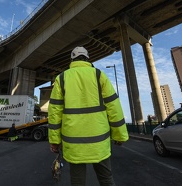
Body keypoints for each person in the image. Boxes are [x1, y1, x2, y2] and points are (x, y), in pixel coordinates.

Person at [48, 46, 129, 186]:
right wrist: (119, 135)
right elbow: (113, 107)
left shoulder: (61, 78)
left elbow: (55, 112)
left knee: (78, 181)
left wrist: (54, 141)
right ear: (87, 58)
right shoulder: (99, 75)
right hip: (100, 142)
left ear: (72, 59)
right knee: (106, 179)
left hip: (73, 143)